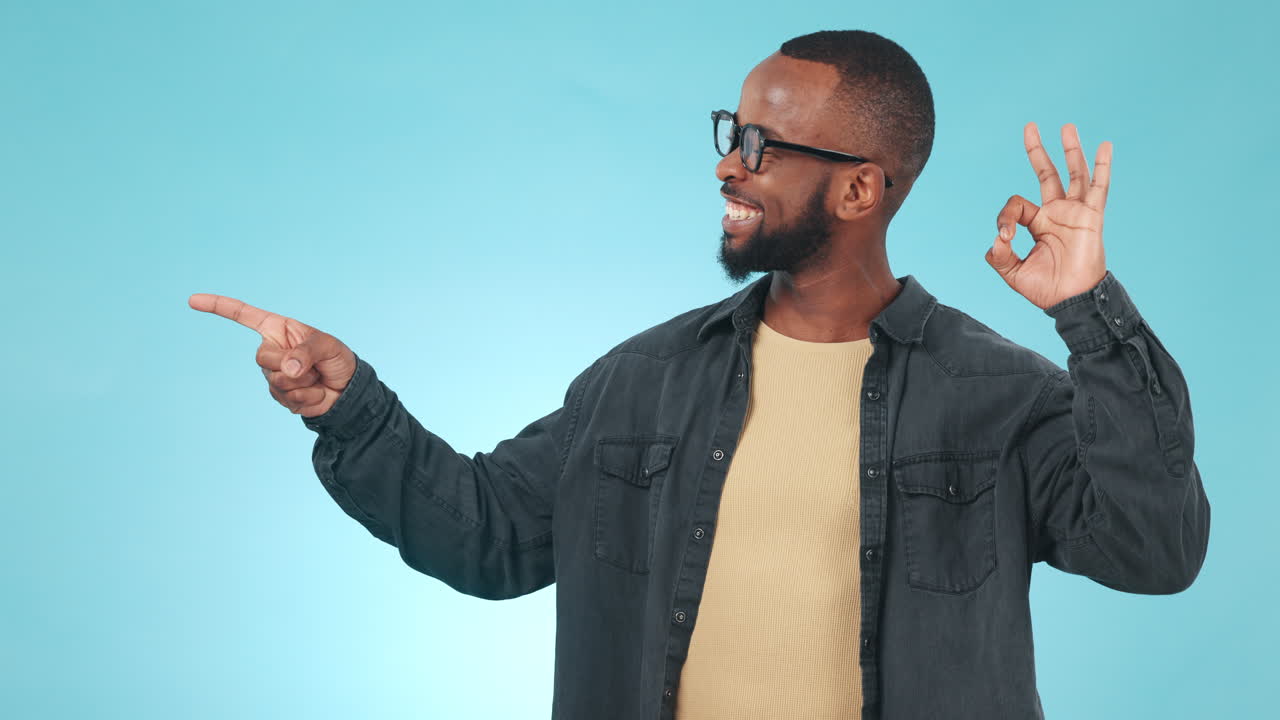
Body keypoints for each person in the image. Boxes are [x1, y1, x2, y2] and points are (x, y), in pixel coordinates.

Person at [189, 29, 1209, 720]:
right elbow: (489, 537)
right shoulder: (641, 379)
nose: (728, 165)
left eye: (760, 145)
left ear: (859, 187)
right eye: (730, 134)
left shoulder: (1004, 397)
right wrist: (349, 409)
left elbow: (1151, 550)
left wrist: (1089, 312)